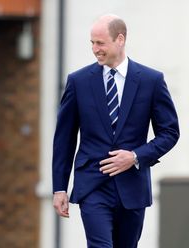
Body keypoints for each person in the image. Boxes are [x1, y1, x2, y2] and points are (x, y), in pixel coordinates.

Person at [52, 14, 179, 248]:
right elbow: (64, 138)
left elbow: (170, 132)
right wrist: (59, 187)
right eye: (92, 43)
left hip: (132, 188)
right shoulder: (78, 82)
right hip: (92, 185)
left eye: (100, 43)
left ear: (120, 39)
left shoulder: (151, 81)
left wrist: (135, 157)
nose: (95, 49)